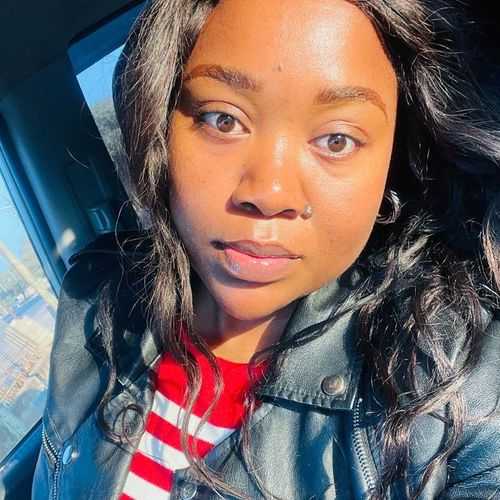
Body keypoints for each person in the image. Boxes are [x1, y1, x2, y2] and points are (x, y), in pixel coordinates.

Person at [32, 0, 500, 499]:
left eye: (337, 140)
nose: (270, 193)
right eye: (222, 120)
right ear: (161, 131)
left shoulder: (461, 388)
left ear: (390, 168)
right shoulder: (96, 297)